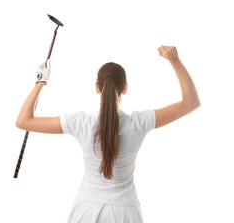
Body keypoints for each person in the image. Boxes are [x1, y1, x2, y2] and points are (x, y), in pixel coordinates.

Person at [15, 46, 201, 222]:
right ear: (125, 88)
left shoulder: (80, 123)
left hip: (85, 211)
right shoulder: (139, 123)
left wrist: (40, 82)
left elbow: (23, 121)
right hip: (125, 213)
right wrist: (174, 60)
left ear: (97, 87)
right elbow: (191, 102)